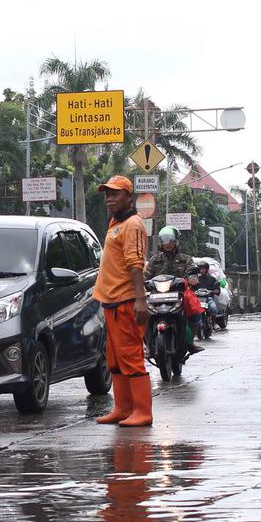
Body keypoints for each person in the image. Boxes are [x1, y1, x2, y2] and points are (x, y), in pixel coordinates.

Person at [93, 175, 153, 427]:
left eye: (115, 193)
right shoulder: (115, 222)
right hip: (111, 302)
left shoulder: (133, 224)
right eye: (107, 194)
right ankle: (123, 408)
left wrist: (140, 300)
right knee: (115, 360)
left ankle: (142, 411)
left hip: (126, 301)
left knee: (131, 357)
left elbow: (135, 264)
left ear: (129, 197)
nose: (110, 198)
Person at [145, 226, 205, 355]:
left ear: (177, 241)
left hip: (179, 295)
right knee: (142, 313)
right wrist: (139, 282)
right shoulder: (154, 260)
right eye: (165, 241)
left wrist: (193, 279)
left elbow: (192, 275)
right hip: (157, 296)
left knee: (195, 312)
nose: (167, 244)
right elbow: (145, 276)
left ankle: (190, 341)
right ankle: (149, 345)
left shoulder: (186, 259)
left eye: (170, 240)